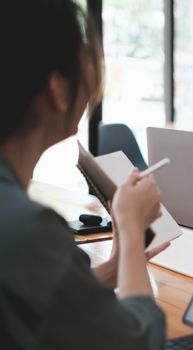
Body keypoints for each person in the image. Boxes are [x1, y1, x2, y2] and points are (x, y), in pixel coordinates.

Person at [1, 0, 169, 348]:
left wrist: (116, 266)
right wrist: (131, 226)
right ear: (58, 88)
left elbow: (39, 298)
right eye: (88, 60)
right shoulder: (28, 227)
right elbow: (139, 340)